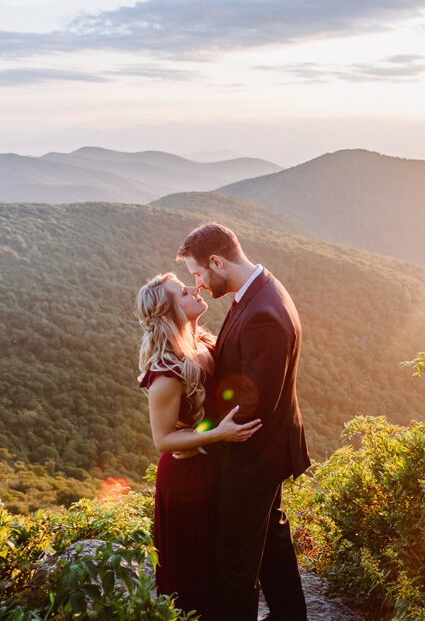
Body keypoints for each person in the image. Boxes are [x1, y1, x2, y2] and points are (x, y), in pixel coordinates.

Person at [178, 222, 311, 621]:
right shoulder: (257, 290)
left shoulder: (263, 313)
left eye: (199, 273)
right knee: (271, 540)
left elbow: (252, 403)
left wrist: (195, 432)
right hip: (266, 449)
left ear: (217, 262)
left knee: (233, 560)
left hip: (254, 455)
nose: (198, 284)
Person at [136, 272, 262, 618]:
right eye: (182, 291)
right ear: (169, 312)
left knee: (219, 562)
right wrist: (218, 435)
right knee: (193, 571)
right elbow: (163, 440)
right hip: (186, 479)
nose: (196, 289)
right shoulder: (166, 373)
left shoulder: (203, 342)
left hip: (211, 468)